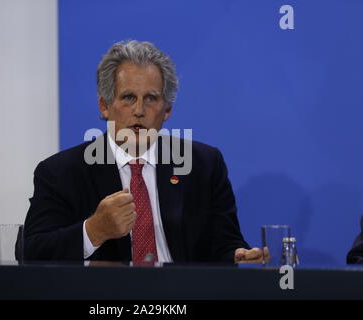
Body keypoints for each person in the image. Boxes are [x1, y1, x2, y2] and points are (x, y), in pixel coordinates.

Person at [23, 40, 263, 264]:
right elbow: (31, 251)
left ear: (167, 109)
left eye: (151, 98)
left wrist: (237, 254)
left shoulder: (204, 164)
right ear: (104, 106)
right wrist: (94, 230)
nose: (139, 110)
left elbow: (224, 243)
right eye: (128, 97)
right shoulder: (61, 172)